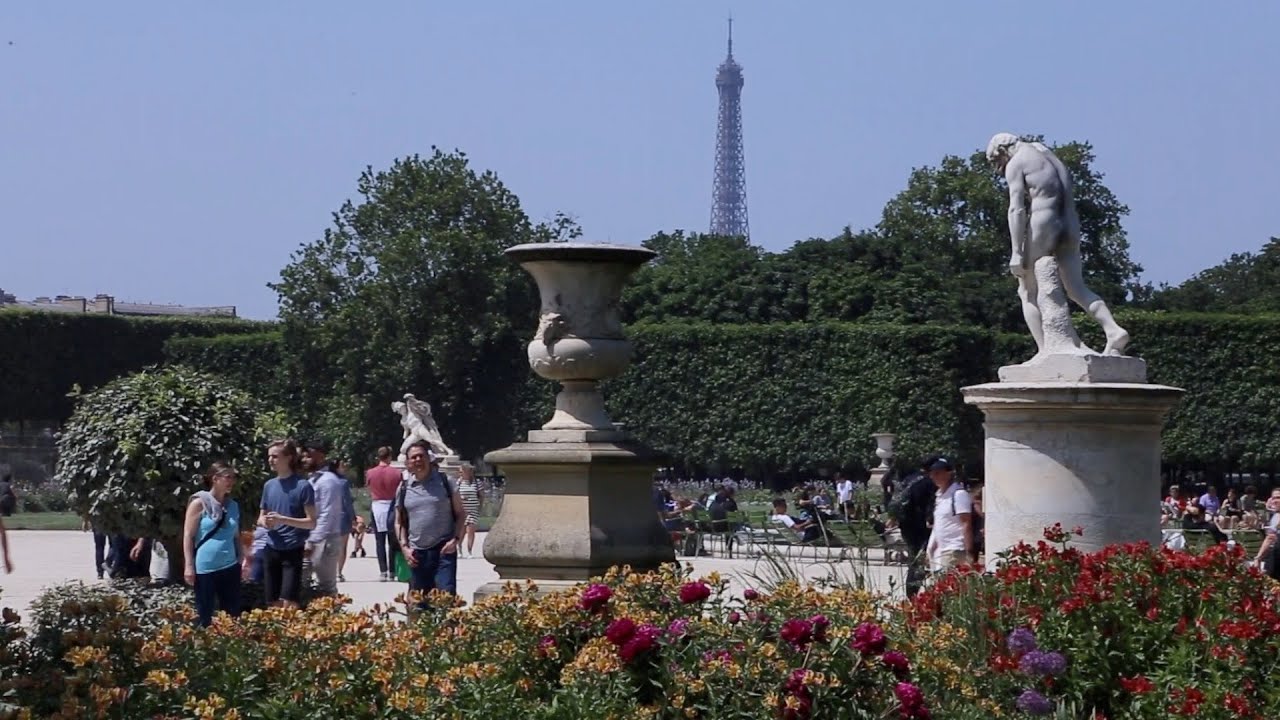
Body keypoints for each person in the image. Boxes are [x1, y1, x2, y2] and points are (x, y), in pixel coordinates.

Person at [986, 133, 1129, 357]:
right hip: (1070, 222)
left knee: (1027, 290)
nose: (1002, 169)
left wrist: (1016, 252)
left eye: (999, 164)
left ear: (1002, 152)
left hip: (1044, 222)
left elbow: (1016, 209)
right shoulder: (1045, 152)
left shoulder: (1017, 162)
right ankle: (1113, 330)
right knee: (1076, 288)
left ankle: (1045, 351)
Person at [394, 441, 467, 606]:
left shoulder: (445, 482)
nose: (418, 459)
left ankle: (448, 631)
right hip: (417, 552)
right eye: (414, 457)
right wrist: (405, 548)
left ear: (429, 458)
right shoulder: (404, 487)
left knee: (446, 599)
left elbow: (461, 513)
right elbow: (398, 521)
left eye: (422, 455)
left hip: (443, 549)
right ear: (408, 463)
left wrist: (455, 540)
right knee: (420, 603)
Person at [182, 462, 244, 627]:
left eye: (233, 477)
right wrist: (188, 566)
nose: (231, 481)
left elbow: (236, 535)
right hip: (205, 567)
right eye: (227, 477)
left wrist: (242, 558)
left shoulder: (233, 506)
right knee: (205, 614)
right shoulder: (199, 503)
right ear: (215, 479)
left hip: (230, 565)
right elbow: (188, 535)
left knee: (232, 614)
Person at [257, 440, 316, 608]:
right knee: (272, 602)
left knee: (290, 603)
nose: (270, 460)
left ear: (289, 458)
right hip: (271, 547)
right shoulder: (269, 485)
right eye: (269, 456)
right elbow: (260, 517)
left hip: (293, 548)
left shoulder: (303, 486)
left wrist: (283, 520)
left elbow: (311, 522)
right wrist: (265, 522)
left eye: (275, 456)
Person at [301, 439, 347, 595]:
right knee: (301, 584)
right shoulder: (312, 479)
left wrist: (313, 541)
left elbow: (327, 514)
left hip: (324, 540)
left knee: (326, 588)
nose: (304, 460)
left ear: (320, 456)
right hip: (311, 539)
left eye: (308, 456)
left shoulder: (328, 481)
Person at [925, 457, 974, 574]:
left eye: (937, 473)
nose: (933, 477)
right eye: (932, 474)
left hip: (955, 549)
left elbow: (966, 522)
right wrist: (930, 548)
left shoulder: (958, 494)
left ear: (948, 474)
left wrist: (969, 553)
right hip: (941, 550)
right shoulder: (940, 496)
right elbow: (939, 525)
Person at [365, 446, 402, 582]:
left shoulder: (370, 473)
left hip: (377, 505)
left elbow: (368, 487)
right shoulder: (396, 473)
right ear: (389, 457)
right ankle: (392, 571)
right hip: (392, 505)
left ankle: (383, 571)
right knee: (393, 541)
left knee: (379, 541)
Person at [455, 463, 482, 558]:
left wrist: (480, 507)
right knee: (461, 531)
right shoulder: (459, 482)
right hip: (462, 511)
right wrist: (460, 498)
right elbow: (455, 495)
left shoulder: (476, 482)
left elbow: (481, 495)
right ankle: (459, 548)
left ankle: (470, 551)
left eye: (461, 471)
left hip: (473, 510)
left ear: (467, 471)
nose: (460, 473)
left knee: (471, 531)